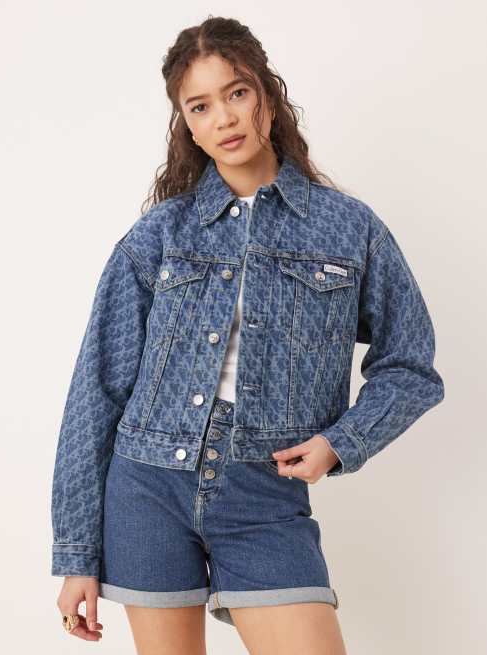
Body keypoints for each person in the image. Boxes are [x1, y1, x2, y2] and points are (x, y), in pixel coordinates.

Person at [51, 15, 445, 655]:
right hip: (147, 487)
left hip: (266, 491)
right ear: (187, 123)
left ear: (267, 92)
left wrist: (341, 444)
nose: (225, 119)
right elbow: (96, 391)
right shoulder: (160, 234)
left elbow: (410, 365)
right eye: (200, 106)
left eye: (236, 93)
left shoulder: (349, 228)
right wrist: (76, 555)